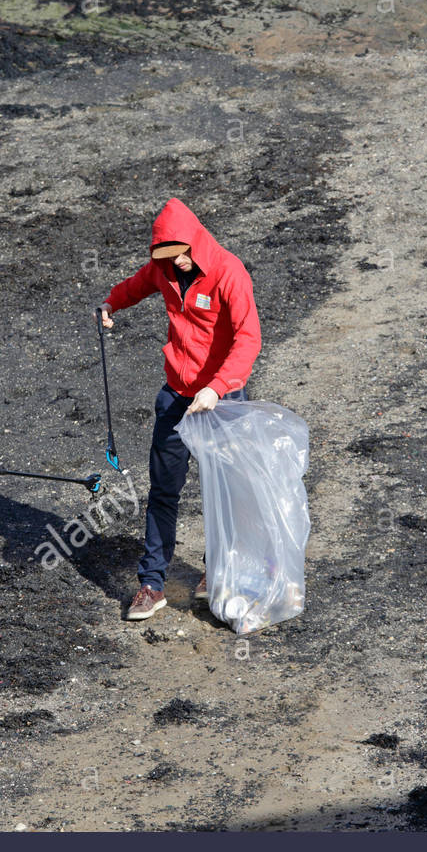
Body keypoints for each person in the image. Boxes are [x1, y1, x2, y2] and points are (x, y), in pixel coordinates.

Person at [97, 198, 262, 621]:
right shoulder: (164, 268)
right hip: (175, 398)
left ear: (193, 242)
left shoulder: (228, 271)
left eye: (181, 256)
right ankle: (152, 584)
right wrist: (112, 304)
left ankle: (218, 571)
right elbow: (136, 283)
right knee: (163, 492)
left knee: (222, 492)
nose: (176, 266)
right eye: (167, 259)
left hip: (221, 401)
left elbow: (249, 339)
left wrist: (218, 387)